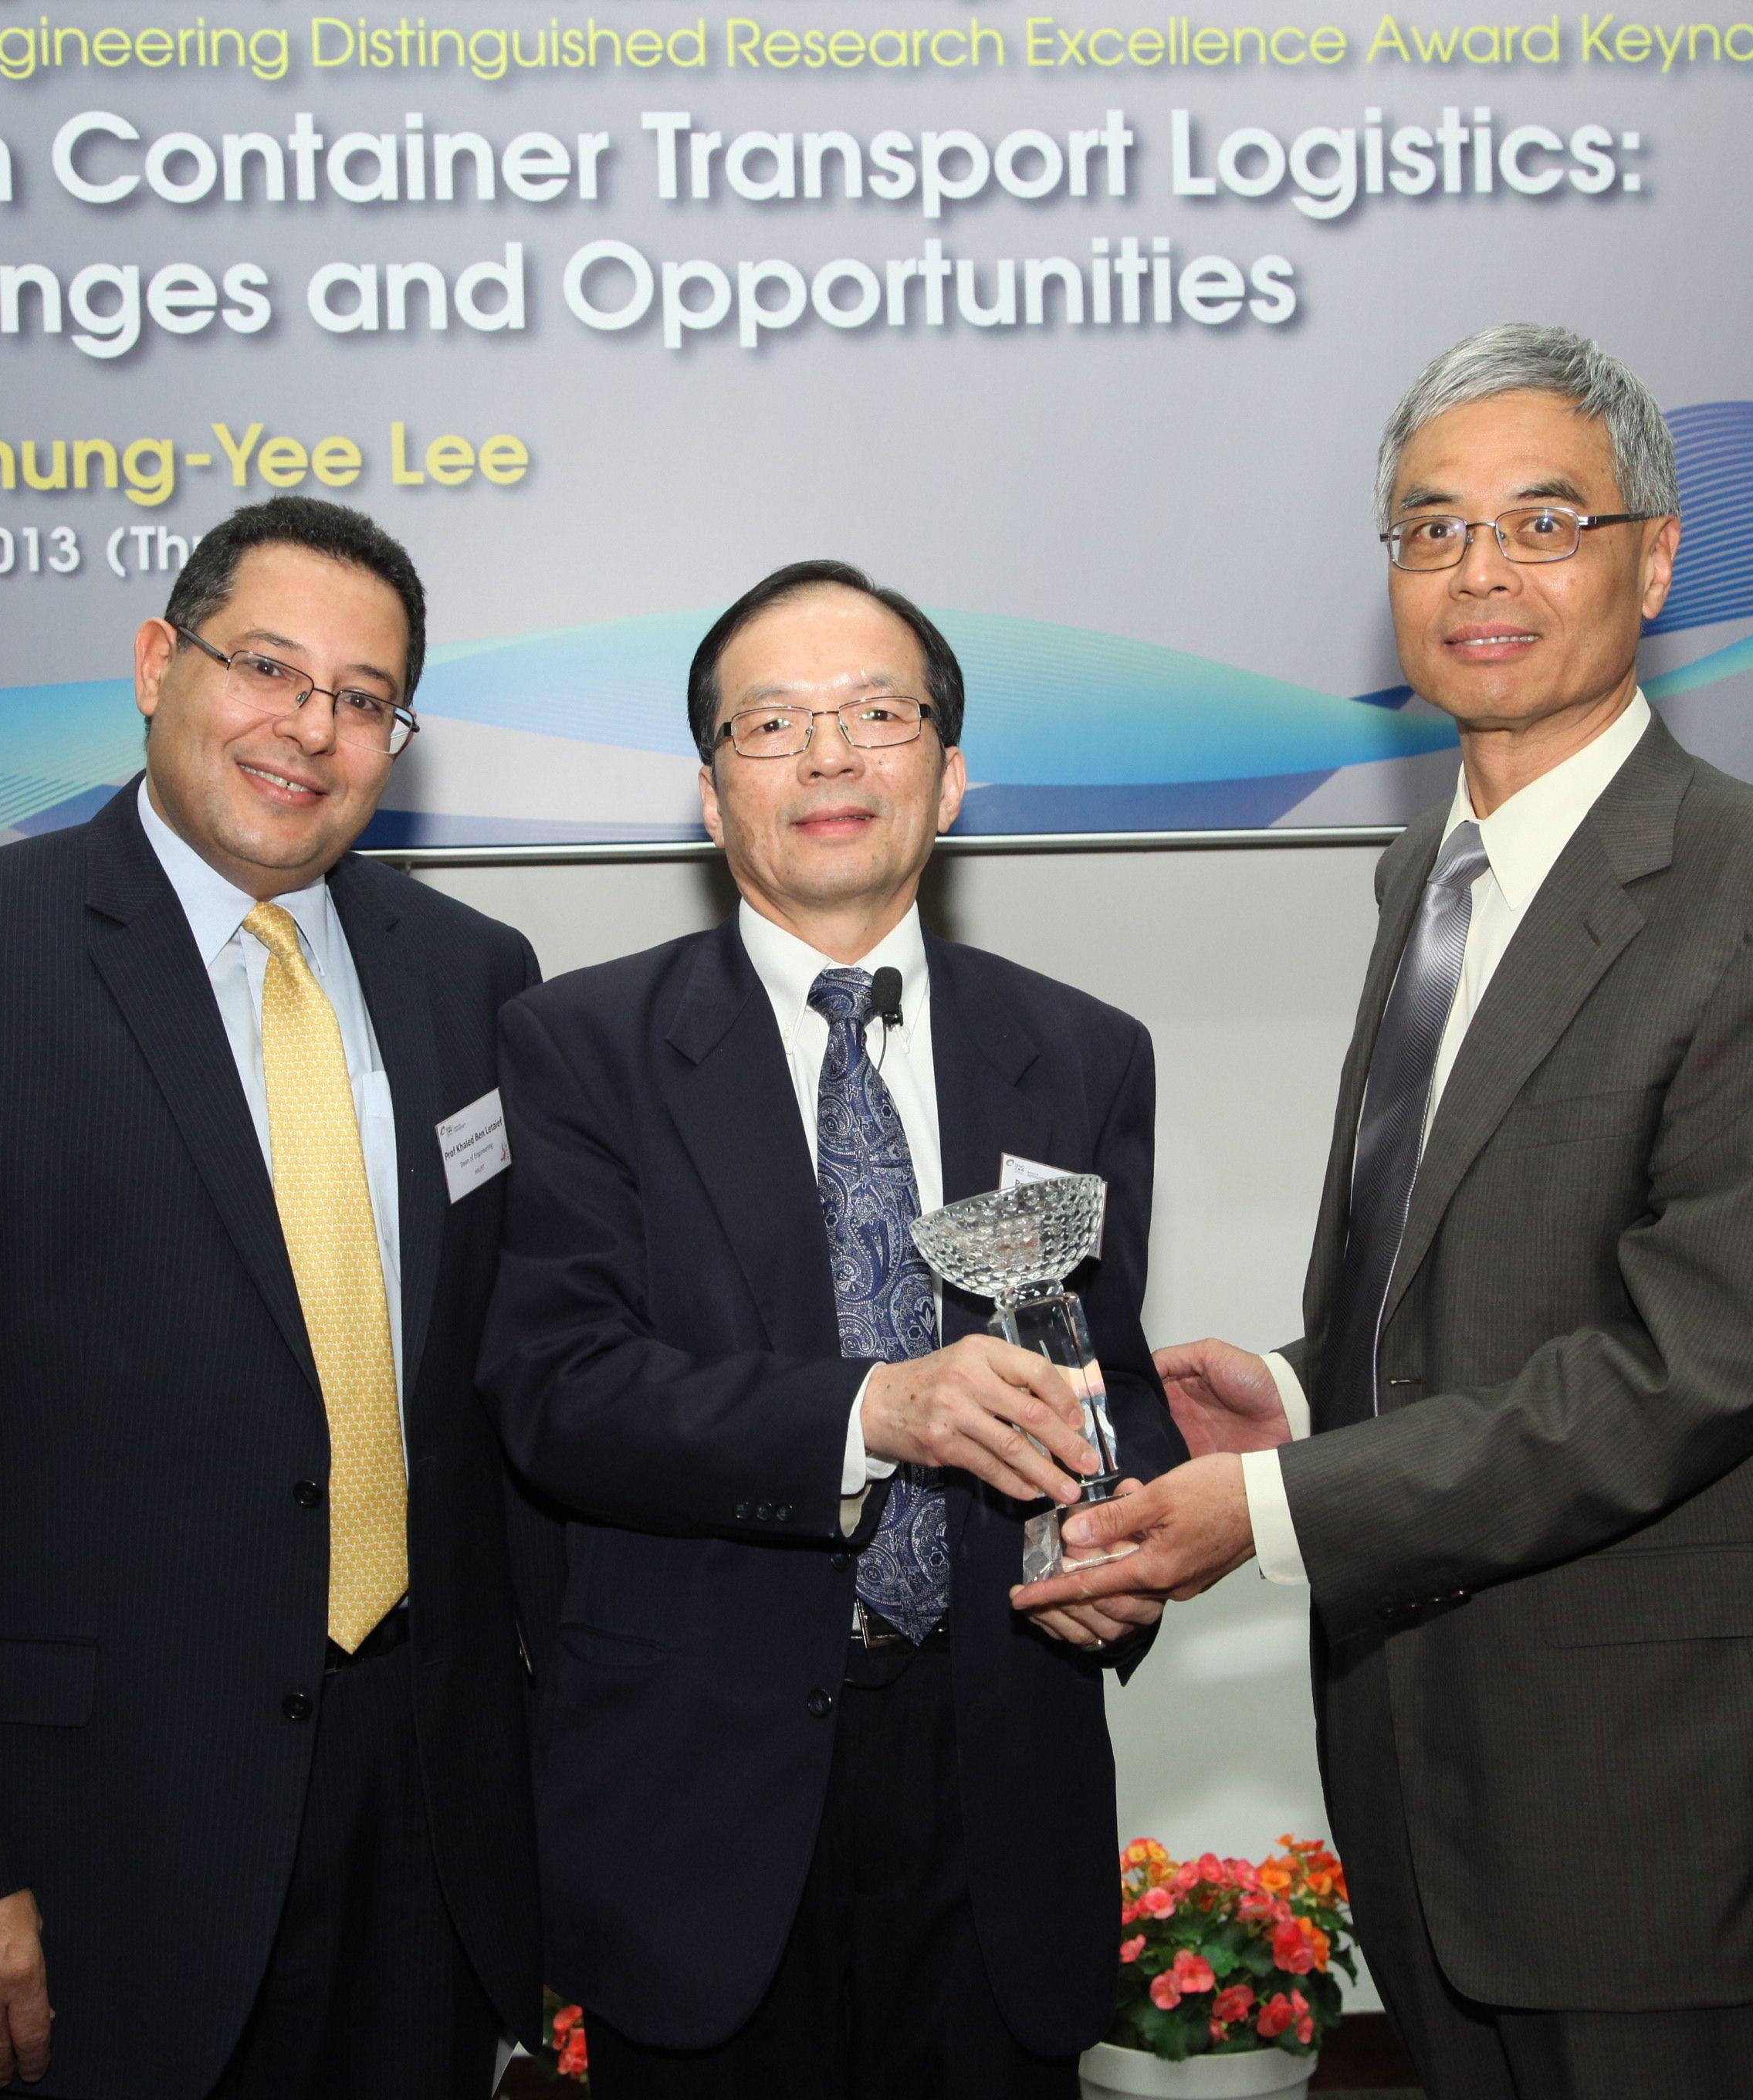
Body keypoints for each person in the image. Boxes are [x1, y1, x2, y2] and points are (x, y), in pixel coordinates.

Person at [1014, 324, 1753, 2100]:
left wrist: (1273, 1506)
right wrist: (1290, 1394)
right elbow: (1476, 1283)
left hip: (1665, 1810)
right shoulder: (1420, 881)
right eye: (1431, 532)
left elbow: (1696, 1363)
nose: (1478, 573)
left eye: (1540, 521)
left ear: (1654, 559)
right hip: (1423, 1779)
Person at [0, 496, 540, 2099]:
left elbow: (512, 1391)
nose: (309, 728)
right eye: (268, 666)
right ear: (156, 662)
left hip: (427, 1839)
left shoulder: (477, 977)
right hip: (81, 1858)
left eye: (365, 696)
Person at [481, 560, 1183, 2098]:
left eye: (877, 712)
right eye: (773, 723)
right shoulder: (579, 1048)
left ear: (949, 773)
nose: (829, 756)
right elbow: (559, 1390)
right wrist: (877, 1411)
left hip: (998, 1769)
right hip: (704, 1794)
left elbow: (1102, 1365)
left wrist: (1127, 1550)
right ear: (712, 791)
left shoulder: (1078, 1052)